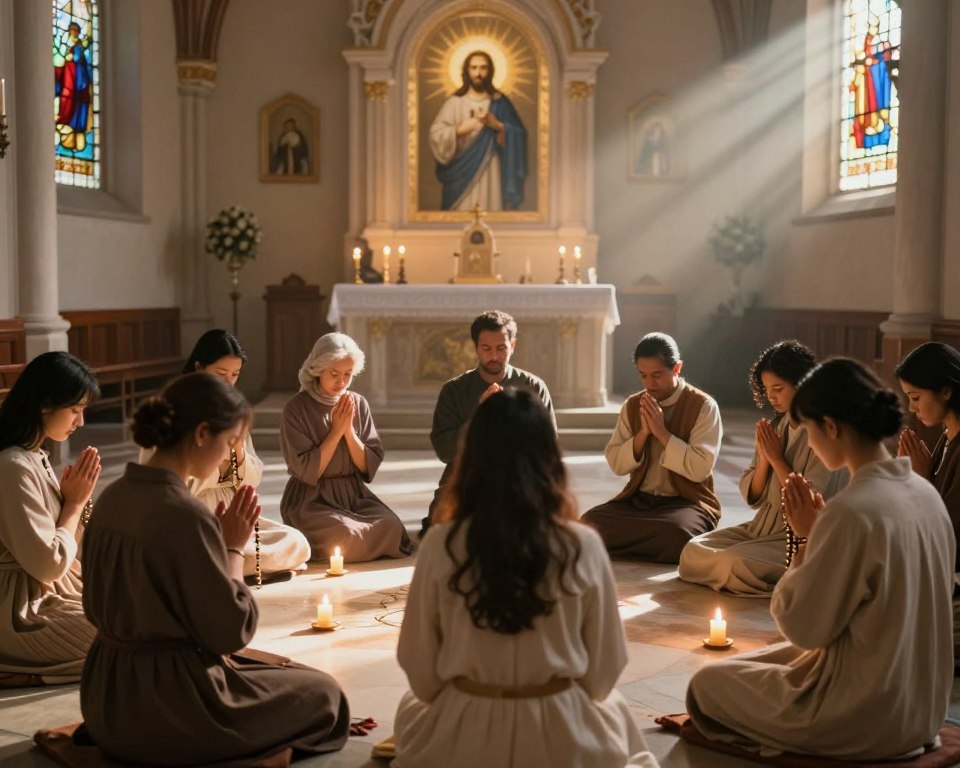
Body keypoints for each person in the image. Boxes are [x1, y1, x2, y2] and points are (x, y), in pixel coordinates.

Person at [687, 358, 954, 760]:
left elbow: (804, 628)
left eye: (809, 430)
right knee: (763, 660)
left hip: (867, 718)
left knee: (706, 684)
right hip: (923, 709)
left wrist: (808, 537)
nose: (809, 443)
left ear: (830, 426)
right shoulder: (925, 492)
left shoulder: (851, 512)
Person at [80, 373, 349, 764]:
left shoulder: (111, 497)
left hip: (106, 698)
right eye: (228, 444)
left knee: (273, 672)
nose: (228, 458)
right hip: (169, 710)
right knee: (324, 694)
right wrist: (233, 548)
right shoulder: (185, 514)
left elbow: (95, 606)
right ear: (203, 434)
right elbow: (229, 631)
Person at [394, 389, 659, 768]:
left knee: (410, 709)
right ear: (549, 458)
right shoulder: (583, 544)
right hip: (562, 732)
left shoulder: (440, 543)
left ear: (472, 459)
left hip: (464, 734)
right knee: (616, 714)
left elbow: (419, 667)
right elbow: (605, 671)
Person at [678, 340, 848, 595]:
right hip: (761, 527)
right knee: (692, 550)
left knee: (733, 562)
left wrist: (778, 459)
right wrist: (766, 460)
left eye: (778, 388)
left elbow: (810, 500)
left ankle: (792, 572)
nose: (771, 396)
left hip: (797, 536)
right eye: (767, 389)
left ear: (802, 383)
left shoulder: (824, 430)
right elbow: (753, 494)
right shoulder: (780, 425)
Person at [141, 330, 311, 582]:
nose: (228, 383)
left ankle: (227, 563)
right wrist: (220, 469)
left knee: (297, 542)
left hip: (230, 514)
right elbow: (159, 481)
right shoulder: (169, 408)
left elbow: (251, 478)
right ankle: (228, 564)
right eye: (221, 374)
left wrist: (239, 452)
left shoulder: (231, 410)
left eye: (235, 375)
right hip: (190, 513)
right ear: (199, 367)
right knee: (193, 552)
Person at [0, 352, 101, 686]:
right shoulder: (12, 466)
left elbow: (70, 547)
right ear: (45, 404)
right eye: (75, 410)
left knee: (138, 618)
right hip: (19, 610)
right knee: (118, 639)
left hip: (50, 590)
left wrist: (77, 503)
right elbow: (48, 564)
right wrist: (72, 506)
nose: (80, 421)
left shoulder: (35, 456)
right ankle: (17, 667)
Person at [582, 332, 721, 563]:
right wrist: (643, 434)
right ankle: (646, 546)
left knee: (676, 535)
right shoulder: (633, 404)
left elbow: (700, 468)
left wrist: (662, 433)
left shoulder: (703, 406)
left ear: (676, 368)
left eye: (657, 375)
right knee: (588, 524)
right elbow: (616, 462)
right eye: (643, 376)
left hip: (686, 503)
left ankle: (628, 545)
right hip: (639, 501)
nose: (649, 384)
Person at [280, 332, 412, 562]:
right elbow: (307, 471)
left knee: (391, 526)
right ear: (317, 369)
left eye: (348, 375)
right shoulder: (296, 408)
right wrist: (336, 432)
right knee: (346, 535)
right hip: (312, 501)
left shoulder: (357, 403)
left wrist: (349, 431)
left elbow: (367, 464)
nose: (341, 382)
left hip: (353, 495)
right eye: (334, 373)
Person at [422, 309, 554, 537]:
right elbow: (444, 450)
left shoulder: (533, 386)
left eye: (501, 348)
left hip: (519, 474)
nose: (494, 356)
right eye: (486, 349)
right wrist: (480, 416)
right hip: (466, 473)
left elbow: (548, 446)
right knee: (442, 522)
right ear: (474, 348)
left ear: (513, 345)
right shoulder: (454, 390)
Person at [895, 341, 960, 661]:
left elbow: (950, 533)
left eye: (916, 398)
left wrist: (921, 480)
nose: (913, 408)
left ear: (946, 391)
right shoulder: (947, 438)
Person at [429, 50, 527, 211]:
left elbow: (519, 134)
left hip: (491, 168)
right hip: (461, 174)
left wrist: (499, 126)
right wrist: (460, 130)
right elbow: (435, 135)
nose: (478, 73)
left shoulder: (500, 102)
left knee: (491, 206)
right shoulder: (455, 103)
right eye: (473, 68)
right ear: (466, 71)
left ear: (490, 71)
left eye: (483, 68)